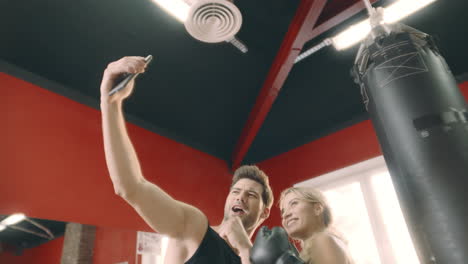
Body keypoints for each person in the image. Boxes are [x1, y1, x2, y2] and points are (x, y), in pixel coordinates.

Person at [99, 56, 273, 264]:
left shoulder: (255, 259)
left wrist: (245, 249)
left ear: (265, 212)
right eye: (235, 191)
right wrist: (110, 104)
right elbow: (131, 187)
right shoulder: (194, 227)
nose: (240, 197)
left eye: (251, 195)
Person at [279, 187, 354, 264]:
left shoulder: (322, 240)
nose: (285, 214)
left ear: (317, 209)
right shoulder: (323, 242)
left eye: (294, 203)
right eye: (282, 211)